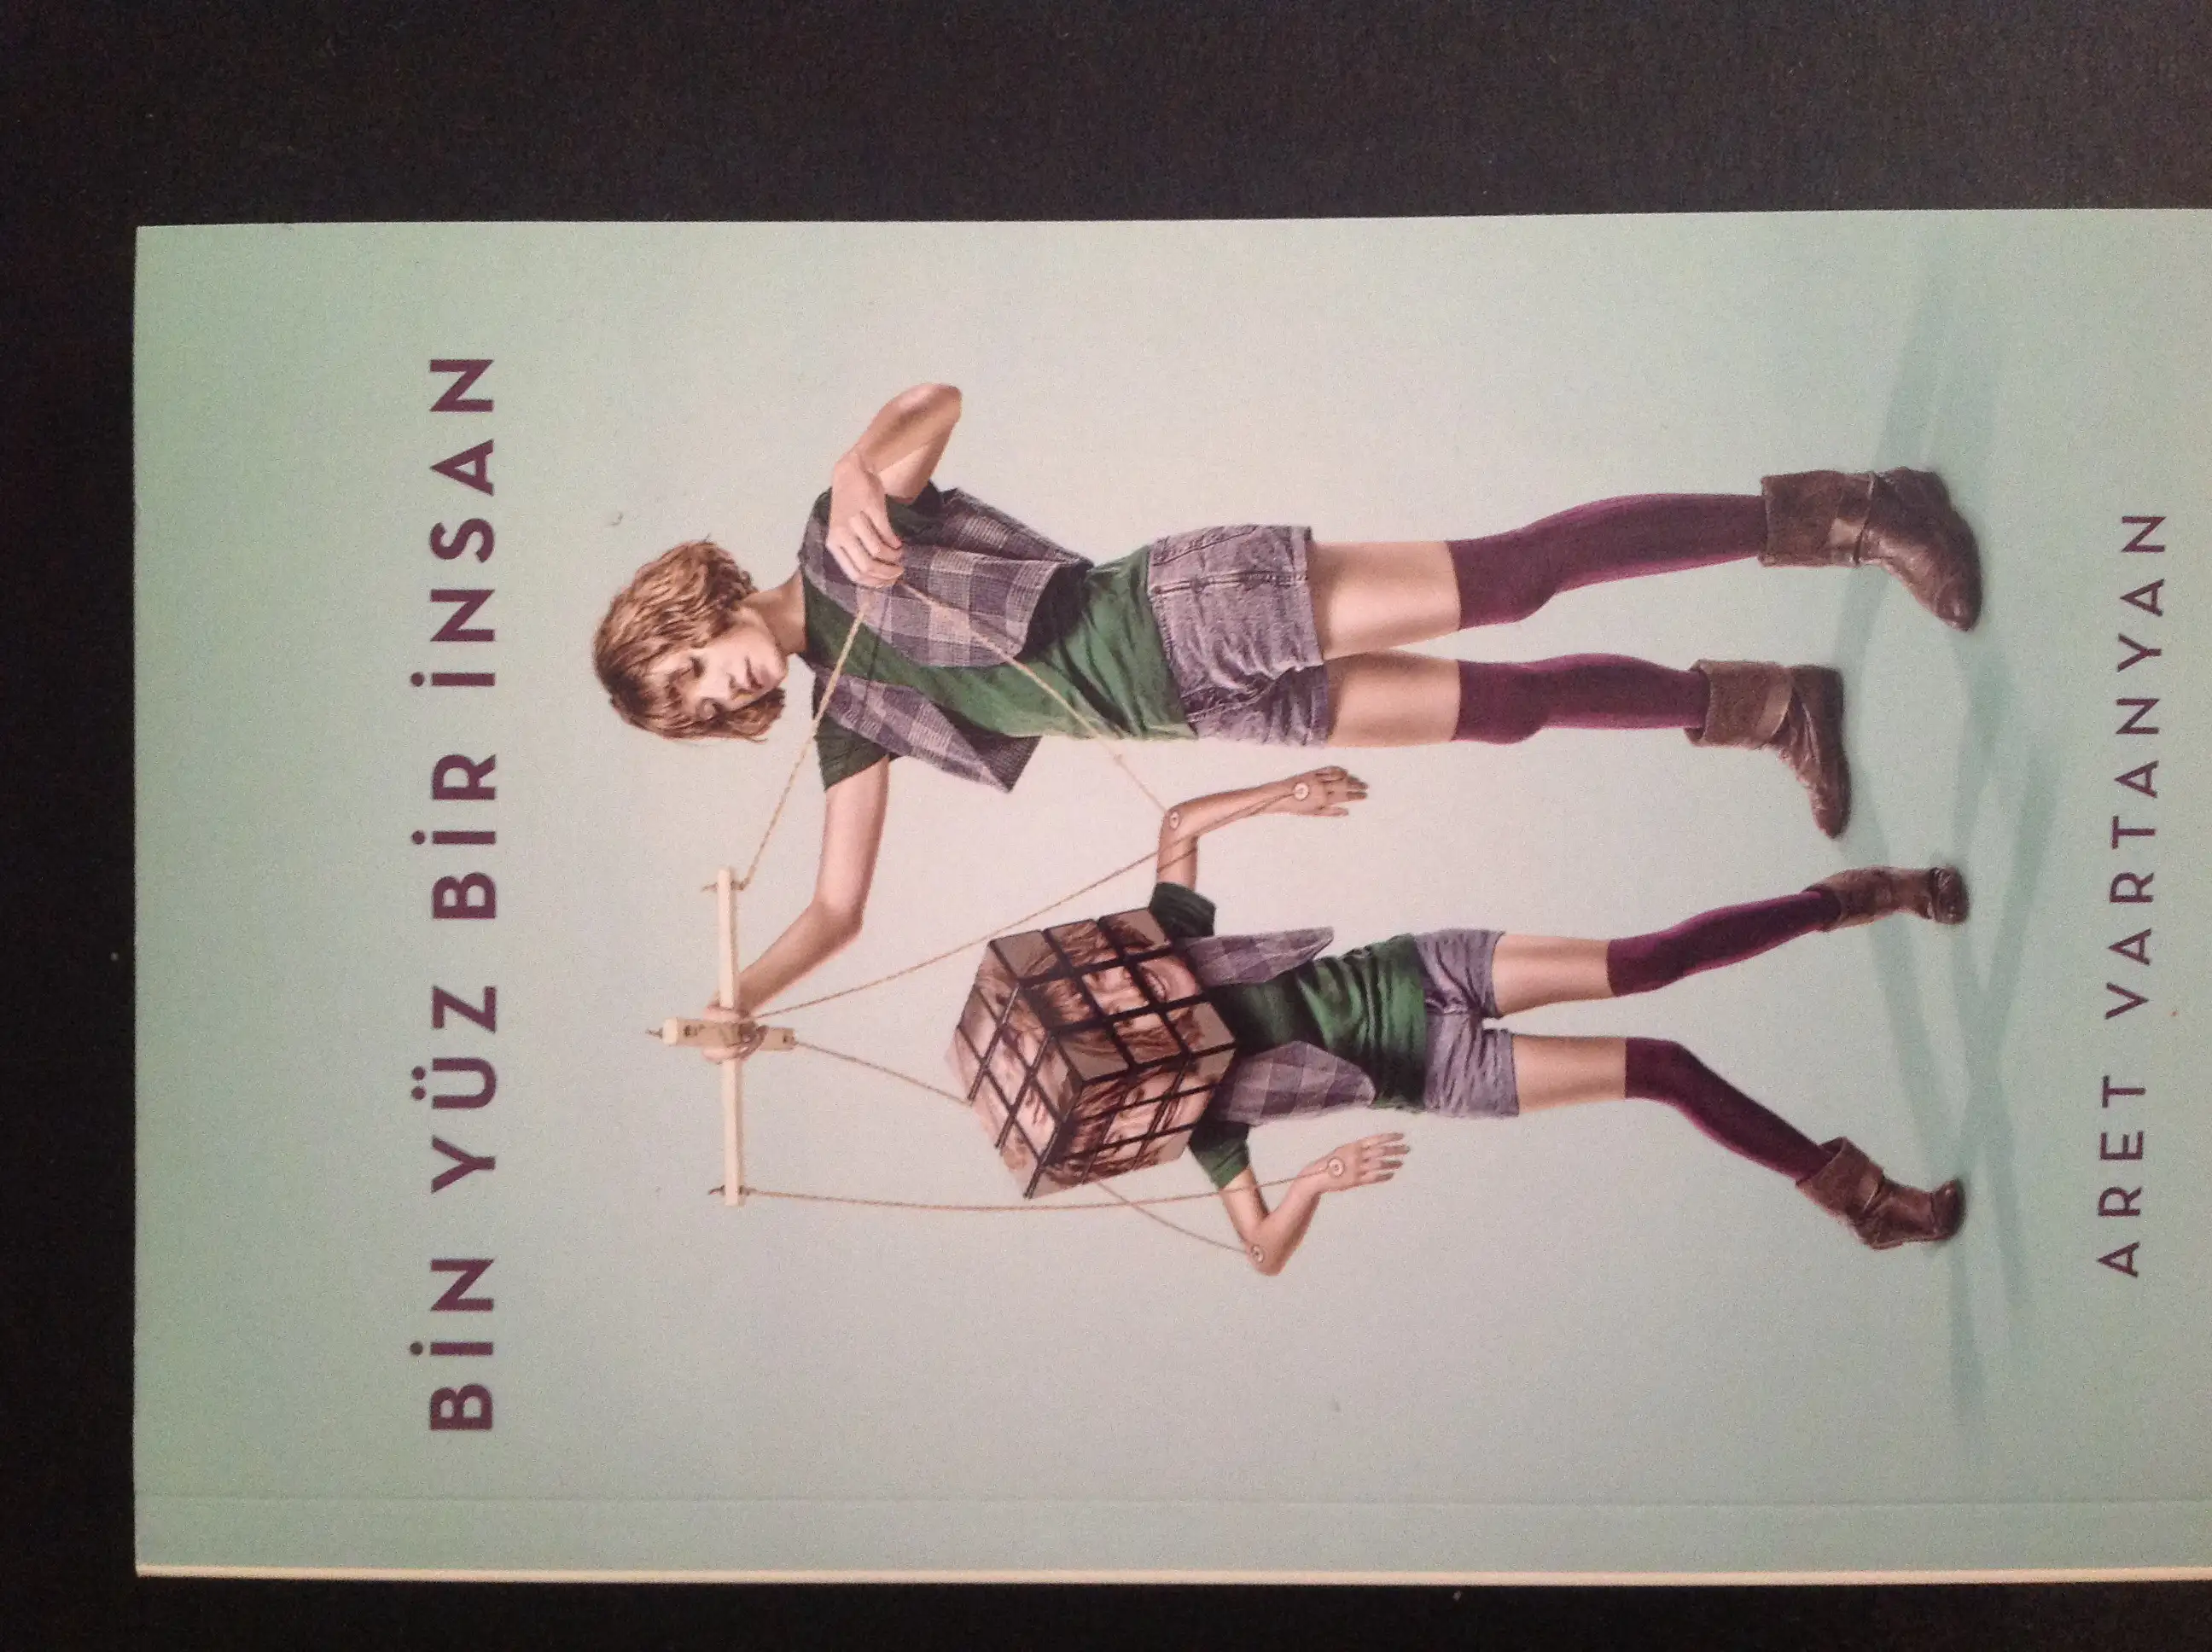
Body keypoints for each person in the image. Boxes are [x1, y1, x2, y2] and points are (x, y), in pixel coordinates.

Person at [594, 383, 1982, 1016]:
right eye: (695, 703)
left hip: (1186, 610)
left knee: (1513, 579)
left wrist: (852, 464)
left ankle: (1861, 511)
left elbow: (936, 406)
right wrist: (736, 995)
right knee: (1503, 709)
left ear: (695, 607)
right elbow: (838, 909)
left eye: (692, 663)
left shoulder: (834, 536)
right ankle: (1769, 707)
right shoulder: (849, 717)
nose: (719, 689)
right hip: (1207, 713)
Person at [1067, 766, 1967, 1275]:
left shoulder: (1166, 955)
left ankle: (1853, 898)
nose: (1128, 1029)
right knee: (1665, 1068)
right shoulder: (1202, 1122)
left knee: (1647, 960)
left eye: (1111, 1017)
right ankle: (1866, 1202)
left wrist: (1282, 794)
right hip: (1437, 1073)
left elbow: (1179, 822)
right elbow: (1263, 1250)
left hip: (1424, 966)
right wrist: (1315, 1182)